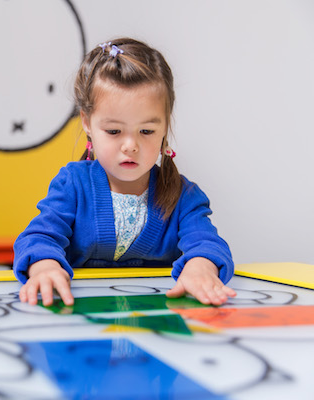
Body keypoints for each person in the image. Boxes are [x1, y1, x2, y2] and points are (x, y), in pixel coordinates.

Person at [13, 38, 235, 307]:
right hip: (80, 318)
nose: (131, 146)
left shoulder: (184, 197)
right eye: (114, 131)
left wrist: (201, 266)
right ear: (87, 122)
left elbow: (207, 243)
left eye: (146, 131)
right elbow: (39, 237)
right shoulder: (73, 184)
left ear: (165, 125)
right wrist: (44, 266)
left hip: (154, 319)